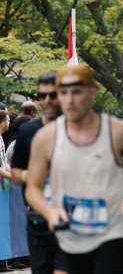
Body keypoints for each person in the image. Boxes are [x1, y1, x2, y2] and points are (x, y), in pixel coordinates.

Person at [24, 65, 123, 274]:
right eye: (63, 92)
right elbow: (32, 188)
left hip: (114, 233)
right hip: (70, 235)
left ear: (92, 92)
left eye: (77, 91)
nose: (70, 99)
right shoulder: (45, 138)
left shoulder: (117, 131)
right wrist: (49, 211)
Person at [10, 73, 66, 274]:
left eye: (53, 95)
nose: (47, 100)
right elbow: (16, 172)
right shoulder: (28, 131)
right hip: (38, 219)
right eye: (43, 96)